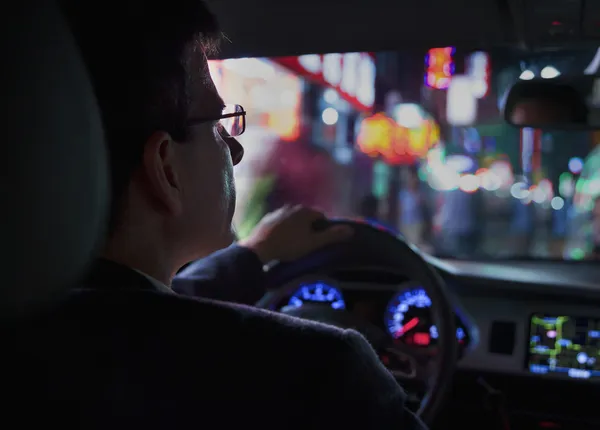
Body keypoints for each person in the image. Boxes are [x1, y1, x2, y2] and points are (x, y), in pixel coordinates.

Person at [13, 1, 427, 429]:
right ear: (167, 168)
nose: (236, 148)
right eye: (218, 124)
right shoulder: (320, 375)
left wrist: (255, 253)